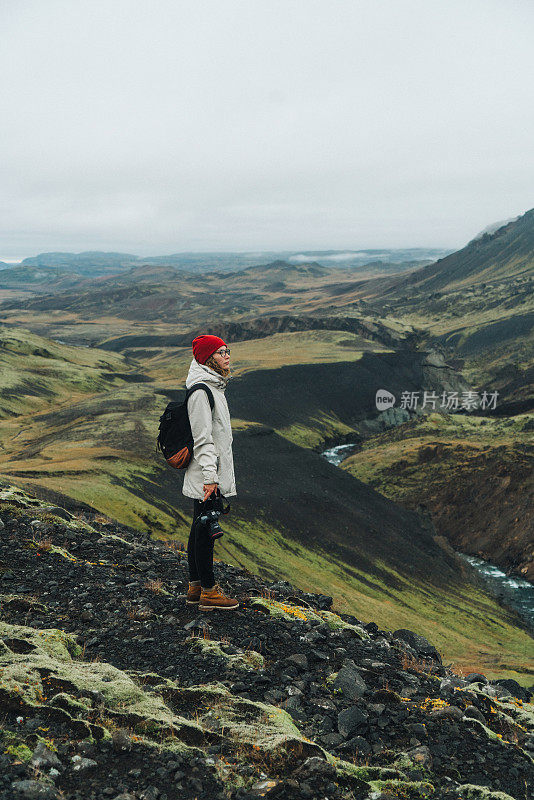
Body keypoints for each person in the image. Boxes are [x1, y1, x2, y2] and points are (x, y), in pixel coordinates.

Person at [183, 334, 239, 611]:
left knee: (199, 526)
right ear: (207, 359)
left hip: (208, 472)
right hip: (207, 474)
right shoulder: (201, 392)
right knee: (206, 530)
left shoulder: (213, 387)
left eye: (227, 350)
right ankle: (209, 592)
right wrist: (210, 478)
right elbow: (202, 439)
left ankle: (195, 587)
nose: (227, 355)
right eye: (219, 352)